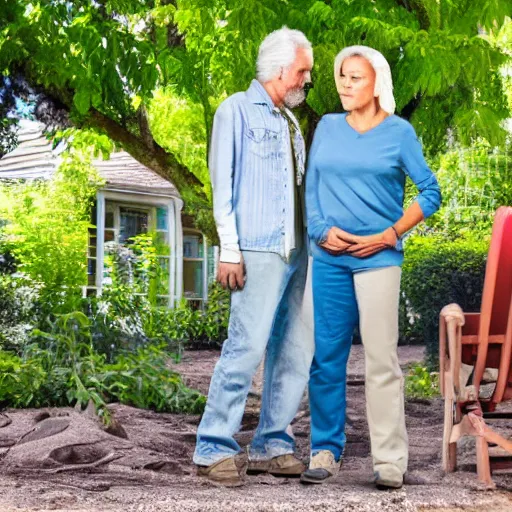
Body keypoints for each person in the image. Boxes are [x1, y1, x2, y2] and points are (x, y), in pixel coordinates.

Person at [300, 45, 441, 489]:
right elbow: (313, 186)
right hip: (328, 259)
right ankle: (325, 450)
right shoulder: (326, 126)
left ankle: (389, 460)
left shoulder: (399, 133)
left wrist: (391, 234)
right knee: (326, 359)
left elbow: (430, 193)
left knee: (381, 360)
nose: (345, 84)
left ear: (376, 82)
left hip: (379, 260)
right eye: (342, 76)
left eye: (355, 77)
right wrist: (321, 231)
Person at [193, 27, 315, 487]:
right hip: (258, 249)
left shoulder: (291, 121)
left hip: (298, 252)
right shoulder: (235, 112)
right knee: (244, 348)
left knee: (296, 349)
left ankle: (272, 443)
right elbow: (221, 187)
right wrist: (229, 249)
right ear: (281, 69)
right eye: (303, 70)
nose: (307, 78)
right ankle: (212, 446)